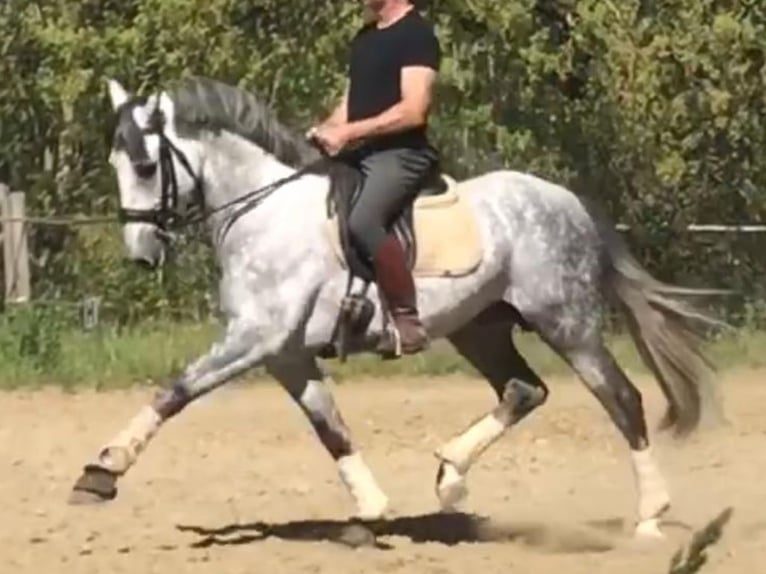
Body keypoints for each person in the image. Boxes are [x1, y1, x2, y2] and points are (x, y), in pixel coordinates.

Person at [307, 0, 441, 357]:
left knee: (364, 220)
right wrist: (328, 129)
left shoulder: (416, 35)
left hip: (401, 154)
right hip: (360, 152)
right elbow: (350, 104)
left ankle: (406, 322)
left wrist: (348, 132)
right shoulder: (365, 38)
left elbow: (414, 110)